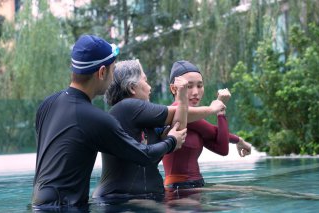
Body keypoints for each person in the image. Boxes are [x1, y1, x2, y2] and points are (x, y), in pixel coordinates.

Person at [32, 35, 186, 210]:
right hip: (67, 207)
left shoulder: (47, 104)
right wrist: (172, 140)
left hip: (39, 203)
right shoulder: (94, 118)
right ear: (102, 72)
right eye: (113, 70)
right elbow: (143, 156)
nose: (113, 78)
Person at [92, 59, 227, 203]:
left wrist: (182, 99)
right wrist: (213, 109)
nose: (150, 87)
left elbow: (178, 131)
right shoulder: (126, 107)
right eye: (145, 81)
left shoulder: (146, 121)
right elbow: (173, 126)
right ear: (132, 88)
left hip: (144, 198)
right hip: (117, 200)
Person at [162, 60, 252, 193]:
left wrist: (237, 138)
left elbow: (221, 148)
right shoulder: (178, 111)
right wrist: (220, 111)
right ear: (174, 89)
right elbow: (215, 133)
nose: (195, 92)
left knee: (249, 191)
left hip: (194, 186)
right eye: (189, 86)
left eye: (199, 86)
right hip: (179, 190)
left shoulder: (195, 119)